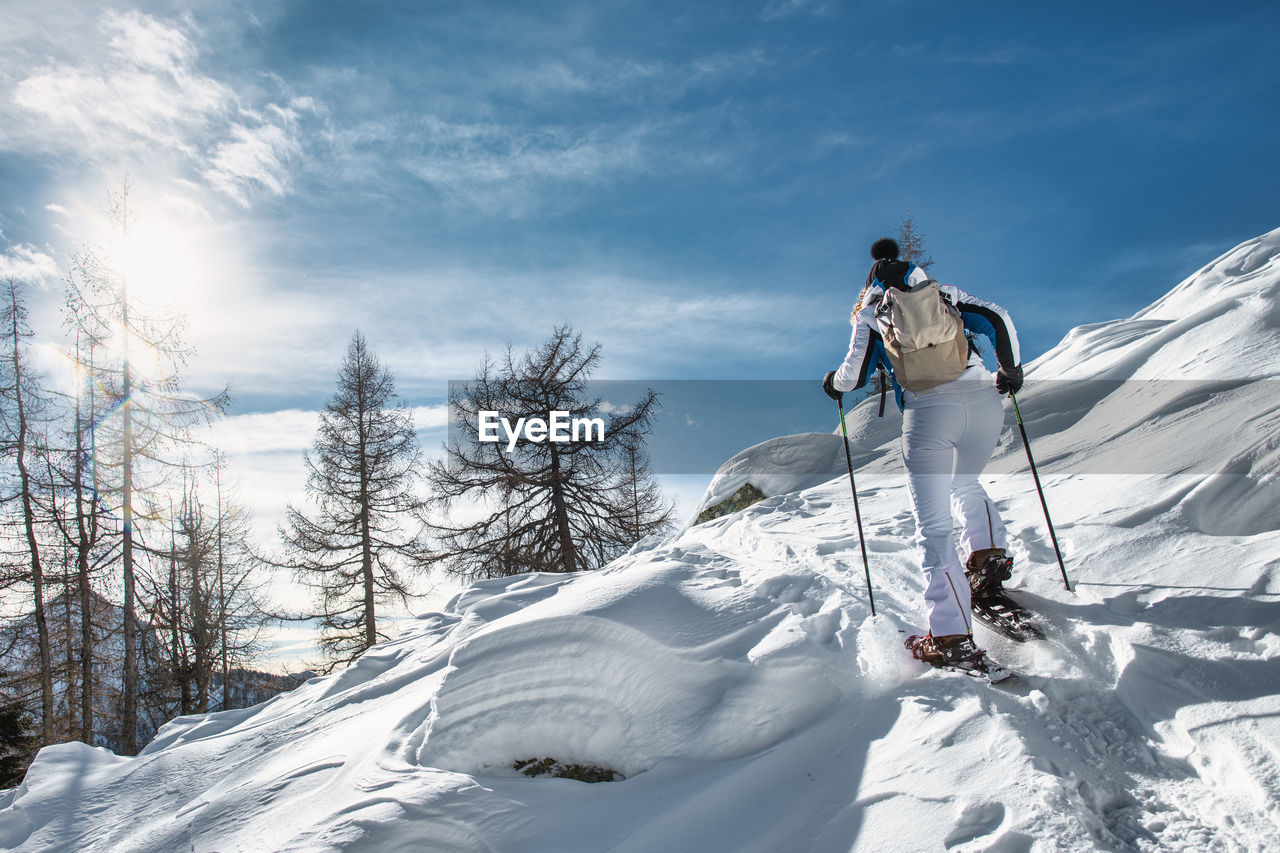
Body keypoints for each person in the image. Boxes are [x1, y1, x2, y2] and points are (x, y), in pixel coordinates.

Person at [822, 237, 1023, 668]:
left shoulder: (871, 312)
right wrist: (1011, 370)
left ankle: (950, 634)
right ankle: (988, 559)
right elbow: (998, 319)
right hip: (983, 401)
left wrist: (831, 383)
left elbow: (853, 375)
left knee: (933, 526)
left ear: (871, 278)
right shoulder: (944, 294)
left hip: (929, 410)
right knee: (965, 482)